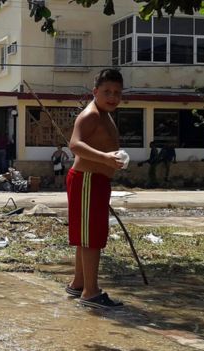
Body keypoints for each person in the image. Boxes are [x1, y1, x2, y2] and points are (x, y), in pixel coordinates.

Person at [65, 69, 125, 309]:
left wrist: (111, 161)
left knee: (87, 235)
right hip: (87, 178)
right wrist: (104, 158)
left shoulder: (104, 113)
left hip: (95, 180)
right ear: (95, 92)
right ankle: (90, 292)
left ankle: (79, 283)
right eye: (107, 92)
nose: (112, 97)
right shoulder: (90, 115)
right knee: (91, 238)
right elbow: (75, 145)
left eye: (117, 93)